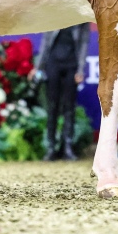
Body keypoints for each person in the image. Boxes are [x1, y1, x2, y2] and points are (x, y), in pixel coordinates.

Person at [33, 24, 91, 161]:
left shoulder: (82, 19)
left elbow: (84, 44)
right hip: (53, 63)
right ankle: (51, 147)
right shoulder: (55, 14)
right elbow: (46, 42)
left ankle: (67, 147)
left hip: (72, 65)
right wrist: (38, 67)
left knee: (69, 107)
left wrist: (80, 70)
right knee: (52, 107)